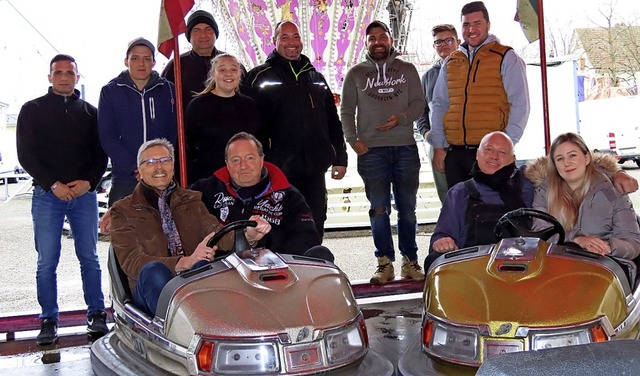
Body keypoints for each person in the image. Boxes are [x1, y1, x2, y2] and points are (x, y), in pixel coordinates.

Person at [425, 131, 639, 271]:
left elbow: (579, 168)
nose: (494, 157)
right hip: (479, 269)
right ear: (478, 155)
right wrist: (442, 240)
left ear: (513, 158)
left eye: (502, 152)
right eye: (488, 150)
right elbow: (442, 234)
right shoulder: (460, 193)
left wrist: (615, 172)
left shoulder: (529, 183)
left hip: (531, 267)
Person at [109, 139, 270, 316]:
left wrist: (249, 234)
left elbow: (215, 232)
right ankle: (176, 330)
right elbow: (132, 262)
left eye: (165, 160)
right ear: (139, 171)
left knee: (204, 268)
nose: (159, 167)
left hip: (189, 285)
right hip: (151, 287)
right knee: (155, 271)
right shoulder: (123, 210)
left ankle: (218, 328)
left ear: (173, 166)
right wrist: (184, 262)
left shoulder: (191, 200)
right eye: (151, 162)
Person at [16, 54, 109, 345]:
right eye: (59, 73)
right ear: (50, 77)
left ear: (77, 77)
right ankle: (48, 320)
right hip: (47, 196)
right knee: (47, 262)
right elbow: (26, 154)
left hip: (83, 197)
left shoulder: (91, 113)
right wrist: (52, 184)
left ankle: (96, 315)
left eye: (70, 72)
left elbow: (100, 154)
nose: (65, 77)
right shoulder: (31, 110)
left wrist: (89, 183)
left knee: (90, 258)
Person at [241, 20, 348, 240]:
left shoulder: (316, 78)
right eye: (285, 37)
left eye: (296, 37)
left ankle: (315, 268)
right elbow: (249, 127)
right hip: (277, 170)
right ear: (275, 41)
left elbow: (332, 121)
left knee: (315, 223)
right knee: (279, 226)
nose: (291, 43)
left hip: (314, 170)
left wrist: (340, 157)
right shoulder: (258, 77)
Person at [340, 20, 426, 285]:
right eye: (372, 38)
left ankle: (410, 261)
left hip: (405, 147)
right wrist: (353, 140)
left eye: (382, 37)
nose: (377, 42)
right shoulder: (355, 73)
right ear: (366, 43)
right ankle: (384, 263)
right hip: (371, 151)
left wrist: (400, 118)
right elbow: (346, 111)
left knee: (407, 209)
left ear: (390, 40)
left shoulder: (408, 69)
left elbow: (419, 104)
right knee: (378, 209)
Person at [428, 1, 530, 189]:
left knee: (492, 211)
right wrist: (439, 146)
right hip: (456, 154)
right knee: (459, 212)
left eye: (477, 23)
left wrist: (505, 146)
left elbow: (520, 105)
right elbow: (439, 105)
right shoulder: (451, 62)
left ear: (488, 25)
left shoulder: (506, 57)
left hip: (491, 155)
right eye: (466, 24)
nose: (471, 29)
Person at [190, 132, 333, 261]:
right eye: (236, 160)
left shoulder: (289, 196)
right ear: (227, 164)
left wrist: (271, 255)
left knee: (321, 254)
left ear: (261, 159)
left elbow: (307, 237)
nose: (243, 166)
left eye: (250, 158)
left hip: (276, 273)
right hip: (220, 271)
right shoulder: (205, 190)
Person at [528, 133, 640, 259]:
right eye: (560, 159)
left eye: (572, 155)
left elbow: (633, 242)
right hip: (561, 262)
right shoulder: (544, 192)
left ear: (586, 158)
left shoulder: (613, 189)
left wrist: (607, 247)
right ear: (554, 165)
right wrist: (575, 240)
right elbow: (541, 234)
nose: (567, 163)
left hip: (608, 263)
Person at [98, 37, 177, 206]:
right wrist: (137, 166)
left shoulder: (169, 89)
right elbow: (107, 135)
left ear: (154, 62)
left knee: (165, 228)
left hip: (161, 173)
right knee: (124, 228)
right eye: (135, 58)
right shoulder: (110, 91)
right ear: (126, 61)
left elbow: (174, 131)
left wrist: (158, 163)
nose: (141, 63)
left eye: (147, 59)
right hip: (126, 176)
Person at [185, 53, 260, 184]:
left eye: (233, 69)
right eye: (222, 69)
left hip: (242, 178)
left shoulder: (250, 105)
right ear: (213, 74)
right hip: (208, 179)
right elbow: (188, 147)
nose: (228, 74)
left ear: (240, 73)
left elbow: (258, 142)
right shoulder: (198, 106)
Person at [416, 24, 461, 204]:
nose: (444, 45)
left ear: (458, 42)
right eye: (438, 42)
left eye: (449, 40)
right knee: (446, 196)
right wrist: (426, 133)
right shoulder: (428, 76)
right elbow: (421, 110)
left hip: (466, 143)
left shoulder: (469, 69)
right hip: (438, 144)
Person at [162, 10, 230, 111]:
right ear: (189, 36)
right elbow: (164, 100)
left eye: (208, 29)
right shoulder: (177, 65)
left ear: (215, 33)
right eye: (197, 30)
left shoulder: (231, 63)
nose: (203, 35)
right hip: (189, 125)